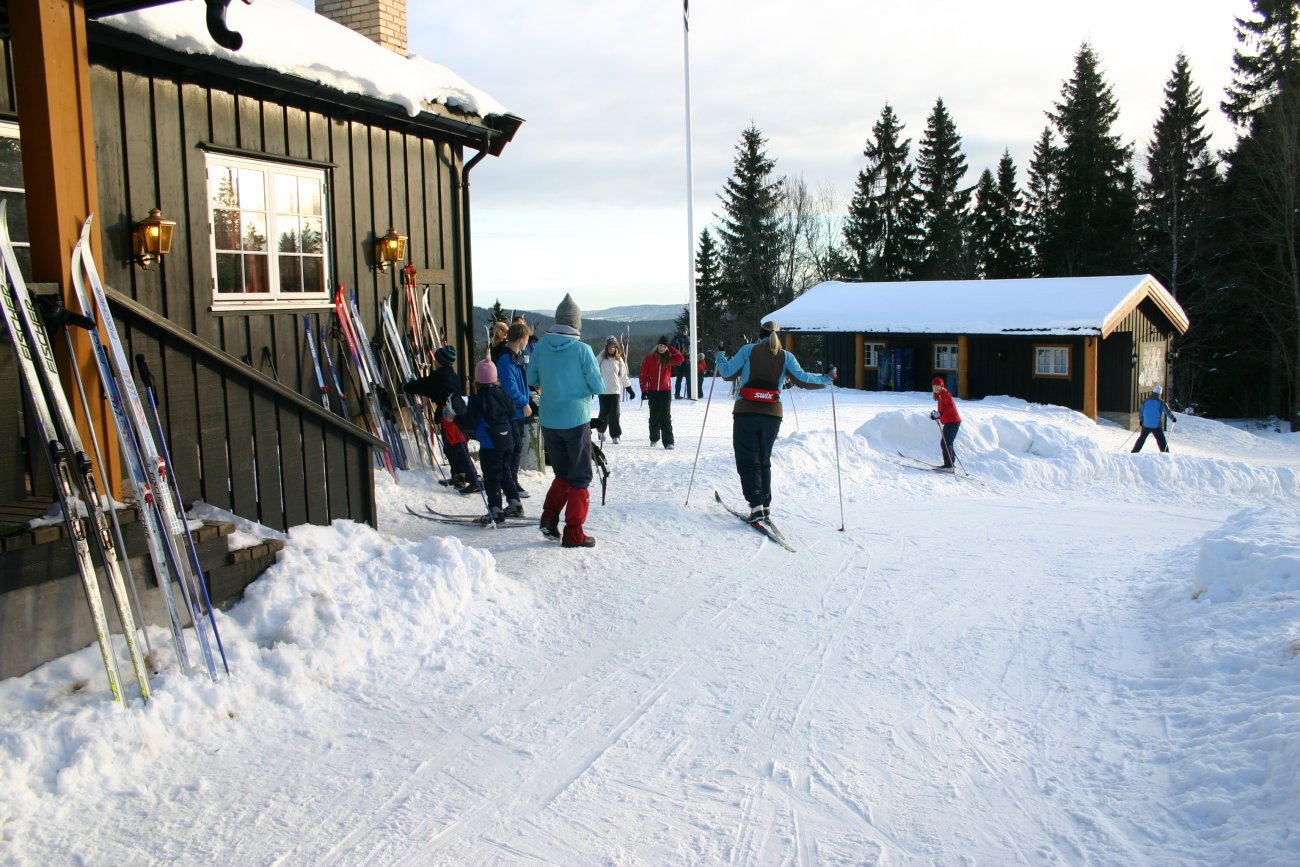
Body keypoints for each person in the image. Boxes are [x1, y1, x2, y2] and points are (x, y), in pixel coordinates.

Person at [715, 322, 834, 521]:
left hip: (746, 411)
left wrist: (719, 355)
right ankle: (765, 505)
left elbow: (727, 373)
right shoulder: (786, 356)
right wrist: (827, 378)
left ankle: (756, 505)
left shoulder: (748, 351)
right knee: (763, 459)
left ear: (759, 334)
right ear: (780, 336)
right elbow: (803, 379)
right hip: (772, 415)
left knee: (748, 459)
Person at [527, 293, 606, 548]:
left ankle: (549, 518)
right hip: (575, 419)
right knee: (581, 476)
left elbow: (532, 378)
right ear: (576, 323)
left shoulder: (541, 346)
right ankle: (574, 532)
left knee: (562, 473)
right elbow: (598, 385)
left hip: (550, 419)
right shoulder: (582, 350)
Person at [402, 345, 479, 494]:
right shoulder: (448, 374)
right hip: (449, 412)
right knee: (450, 446)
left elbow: (423, 386)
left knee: (458, 446)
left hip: (451, 414)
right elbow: (427, 385)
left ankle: (474, 479)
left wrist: (407, 387)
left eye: (436, 359)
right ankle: (458, 476)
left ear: (441, 361)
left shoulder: (441, 377)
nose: (433, 362)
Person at [456, 358, 523, 523]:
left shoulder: (478, 400)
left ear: (477, 380)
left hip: (490, 445)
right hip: (508, 441)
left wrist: (455, 418)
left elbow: (469, 422)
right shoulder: (504, 395)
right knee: (505, 472)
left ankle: (495, 510)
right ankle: (515, 504)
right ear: (495, 378)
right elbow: (512, 413)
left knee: (492, 476)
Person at [496, 322, 533, 497]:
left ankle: (511, 480)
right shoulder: (506, 360)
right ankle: (509, 481)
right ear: (520, 339)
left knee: (517, 445)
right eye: (526, 339)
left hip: (517, 410)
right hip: (511, 410)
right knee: (514, 446)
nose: (527, 342)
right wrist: (523, 402)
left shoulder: (516, 357)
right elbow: (510, 387)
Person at [640, 336, 685, 449]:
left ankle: (669, 442)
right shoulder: (649, 358)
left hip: (665, 391)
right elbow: (643, 375)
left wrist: (671, 348)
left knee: (665, 417)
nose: (661, 348)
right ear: (657, 345)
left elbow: (680, 358)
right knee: (654, 416)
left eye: (664, 346)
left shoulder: (669, 358)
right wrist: (644, 390)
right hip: (653, 391)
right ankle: (654, 438)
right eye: (660, 345)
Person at [594, 336, 633, 444]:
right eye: (610, 347)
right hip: (603, 391)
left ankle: (615, 435)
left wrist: (628, 388)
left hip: (615, 390)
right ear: (606, 347)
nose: (612, 349)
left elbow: (624, 375)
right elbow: (593, 373)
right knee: (604, 414)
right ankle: (601, 431)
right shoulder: (600, 358)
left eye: (614, 347)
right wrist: (592, 388)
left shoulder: (618, 359)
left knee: (615, 414)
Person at [1132, 384, 1177, 453]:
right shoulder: (1161, 402)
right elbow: (1167, 411)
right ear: (1160, 393)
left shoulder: (1146, 401)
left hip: (1146, 424)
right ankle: (1165, 452)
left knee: (1142, 439)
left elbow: (1141, 411)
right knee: (1161, 439)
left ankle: (1134, 452)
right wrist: (1173, 418)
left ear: (1153, 391)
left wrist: (1141, 420)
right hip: (1156, 426)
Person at [929, 376, 961, 471]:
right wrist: (937, 415)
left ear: (942, 386)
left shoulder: (944, 394)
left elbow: (950, 408)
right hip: (950, 422)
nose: (935, 388)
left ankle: (949, 465)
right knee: (947, 443)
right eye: (934, 386)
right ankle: (950, 464)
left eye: (937, 386)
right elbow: (944, 409)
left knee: (945, 443)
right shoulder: (940, 395)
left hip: (953, 422)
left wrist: (940, 414)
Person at [671, 328, 690, 399]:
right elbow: (689, 349)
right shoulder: (687, 338)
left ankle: (677, 394)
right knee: (688, 379)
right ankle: (690, 394)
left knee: (679, 379)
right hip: (686, 360)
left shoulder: (675, 338)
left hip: (678, 362)